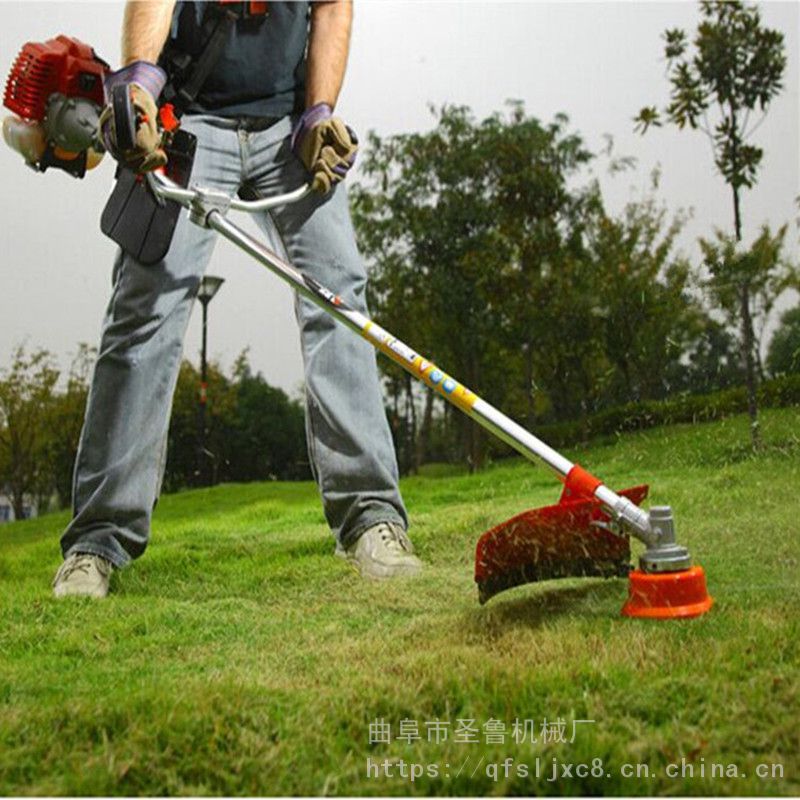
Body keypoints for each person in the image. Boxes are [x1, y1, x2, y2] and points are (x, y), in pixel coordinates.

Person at [52, 0, 422, 598]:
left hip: (287, 131)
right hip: (189, 122)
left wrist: (320, 113)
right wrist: (141, 84)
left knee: (340, 299)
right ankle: (97, 542)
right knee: (143, 315)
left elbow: (332, 8)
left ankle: (372, 518)